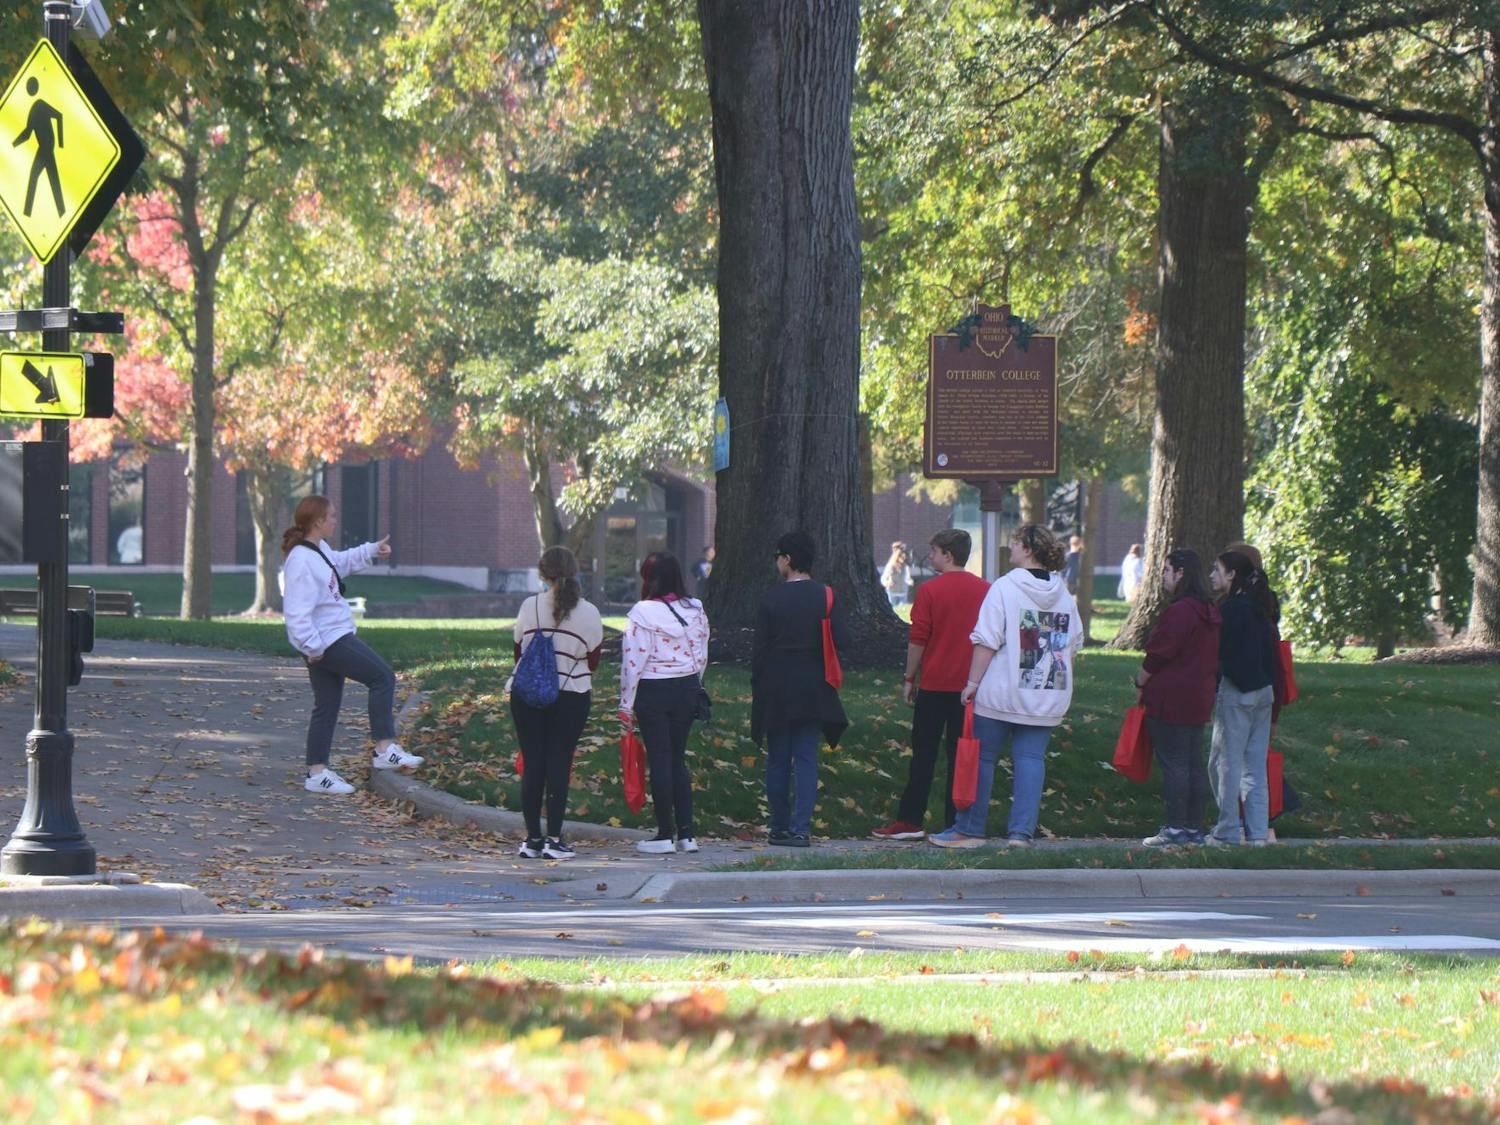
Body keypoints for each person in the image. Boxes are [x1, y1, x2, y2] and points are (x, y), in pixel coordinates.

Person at [931, 525, 1082, 849]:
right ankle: (1020, 835)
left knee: (982, 760)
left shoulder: (1005, 587)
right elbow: (1073, 642)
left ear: (1027, 549)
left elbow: (987, 639)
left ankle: (969, 830)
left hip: (1001, 692)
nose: (1009, 548)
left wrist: (972, 683)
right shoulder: (1063, 594)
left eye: (1014, 543)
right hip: (1046, 691)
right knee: (1031, 760)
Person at [281, 496, 422, 795]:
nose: (335, 520)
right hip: (328, 640)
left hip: (325, 639)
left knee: (327, 704)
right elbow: (295, 612)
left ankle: (317, 773)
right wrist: (313, 647)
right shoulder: (301, 560)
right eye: (331, 516)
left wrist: (371, 550)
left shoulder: (317, 550)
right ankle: (385, 748)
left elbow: (340, 563)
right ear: (318, 521)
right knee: (382, 677)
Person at [872, 529, 991, 841]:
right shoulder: (986, 590)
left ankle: (911, 819)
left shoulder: (930, 591)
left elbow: (918, 639)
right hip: (971, 688)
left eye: (935, 552)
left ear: (948, 555)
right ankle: (958, 821)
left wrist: (909, 677)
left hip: (935, 684)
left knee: (924, 754)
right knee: (959, 755)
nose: (932, 557)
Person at [752, 530, 849, 848]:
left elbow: (760, 651)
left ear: (788, 559)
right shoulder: (826, 596)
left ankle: (778, 827)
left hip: (777, 687)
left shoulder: (771, 599)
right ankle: (801, 828)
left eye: (779, 557)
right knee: (806, 758)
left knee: (778, 758)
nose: (777, 563)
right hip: (813, 686)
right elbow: (843, 640)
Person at [510, 546, 604, 862]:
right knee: (559, 762)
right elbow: (592, 661)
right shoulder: (589, 612)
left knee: (533, 761)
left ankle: (532, 839)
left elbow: (519, 651)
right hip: (572, 692)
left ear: (542, 572)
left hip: (526, 694)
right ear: (574, 570)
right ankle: (554, 838)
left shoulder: (529, 606)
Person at [619, 552, 710, 854]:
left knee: (659, 758)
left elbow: (634, 661)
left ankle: (664, 834)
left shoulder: (642, 613)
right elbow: (702, 651)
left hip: (654, 689)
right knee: (677, 759)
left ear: (649, 578)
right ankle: (687, 833)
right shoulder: (695, 609)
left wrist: (625, 702)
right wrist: (697, 683)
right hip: (687, 686)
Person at [1133, 549, 1221, 847]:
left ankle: (1176, 827)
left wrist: (1141, 680)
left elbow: (1159, 652)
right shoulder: (1209, 611)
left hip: (1171, 696)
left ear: (1180, 573)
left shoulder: (1181, 611)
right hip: (1199, 694)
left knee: (1175, 763)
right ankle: (1194, 827)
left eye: (1165, 570)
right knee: (1193, 762)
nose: (1162, 576)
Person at [1206, 550, 1280, 846]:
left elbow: (1221, 653)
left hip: (1238, 690)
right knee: (1254, 766)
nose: (1212, 575)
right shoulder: (1261, 605)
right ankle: (1258, 832)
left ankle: (1227, 830)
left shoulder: (1232, 609)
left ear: (1231, 575)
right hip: (1264, 691)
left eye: (1217, 569)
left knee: (1224, 763)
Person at [880, 541, 911, 607]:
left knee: (903, 611)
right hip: (892, 593)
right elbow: (883, 579)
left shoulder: (905, 566)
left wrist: (909, 581)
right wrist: (887, 582)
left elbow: (908, 577)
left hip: (903, 593)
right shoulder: (891, 565)